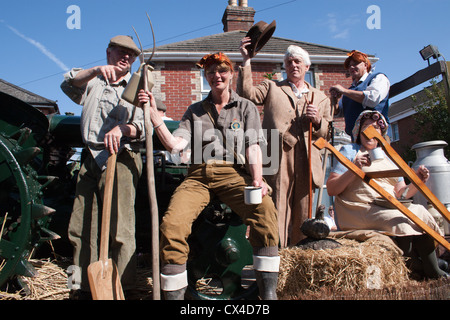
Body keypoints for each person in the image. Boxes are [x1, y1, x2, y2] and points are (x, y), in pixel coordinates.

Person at [137, 52, 280, 300]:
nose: (216, 76)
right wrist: (153, 116)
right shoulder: (194, 111)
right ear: (206, 76)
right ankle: (176, 298)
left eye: (222, 70)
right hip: (198, 176)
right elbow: (175, 145)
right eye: (211, 72)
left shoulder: (246, 107)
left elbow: (253, 146)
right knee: (172, 224)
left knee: (265, 211)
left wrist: (257, 179)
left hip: (234, 174)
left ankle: (268, 294)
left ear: (231, 74)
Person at [61, 35, 145, 298]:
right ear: (108, 52)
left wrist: (123, 128)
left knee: (121, 228)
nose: (126, 58)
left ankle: (124, 286)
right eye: (121, 52)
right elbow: (68, 82)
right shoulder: (92, 83)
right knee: (81, 225)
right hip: (90, 159)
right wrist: (96, 70)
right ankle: (83, 286)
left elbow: (144, 125)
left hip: (121, 159)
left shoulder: (137, 87)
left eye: (131, 55)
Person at [326, 110, 447, 279]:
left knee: (419, 211)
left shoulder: (389, 158)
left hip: (387, 205)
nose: (371, 132)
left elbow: (401, 194)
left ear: (381, 134)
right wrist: (355, 168)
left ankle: (430, 267)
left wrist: (418, 181)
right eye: (367, 127)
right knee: (400, 220)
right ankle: (415, 267)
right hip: (359, 208)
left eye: (376, 128)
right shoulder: (350, 151)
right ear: (359, 131)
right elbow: (332, 188)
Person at [238, 40, 332, 247]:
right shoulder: (272, 86)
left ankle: (300, 253)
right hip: (278, 154)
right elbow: (247, 95)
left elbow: (327, 133)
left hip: (308, 157)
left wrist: (317, 120)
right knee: (277, 204)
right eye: (289, 62)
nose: (293, 66)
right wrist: (246, 60)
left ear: (307, 67)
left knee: (304, 206)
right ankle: (275, 253)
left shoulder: (321, 98)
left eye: (298, 62)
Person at [329, 50, 390, 139]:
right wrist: (336, 100)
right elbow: (339, 113)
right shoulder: (350, 91)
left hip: (376, 136)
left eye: (355, 64)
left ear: (365, 65)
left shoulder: (378, 78)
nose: (352, 67)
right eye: (349, 66)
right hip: (356, 139)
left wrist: (343, 91)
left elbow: (372, 99)